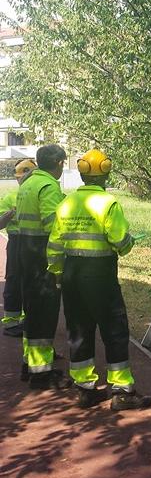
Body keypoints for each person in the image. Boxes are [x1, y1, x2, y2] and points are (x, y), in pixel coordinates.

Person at [47, 148, 151, 411]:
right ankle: (122, 391)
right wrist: (129, 242)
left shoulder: (67, 203)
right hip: (100, 275)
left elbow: (55, 245)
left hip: (71, 274)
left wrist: (58, 273)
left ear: (83, 173)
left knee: (79, 331)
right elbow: (120, 241)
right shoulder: (108, 203)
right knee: (114, 330)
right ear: (105, 171)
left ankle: (85, 389)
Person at [16, 144, 71, 389]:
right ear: (59, 163)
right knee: (44, 313)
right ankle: (41, 374)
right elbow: (53, 226)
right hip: (42, 257)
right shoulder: (48, 186)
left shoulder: (28, 183)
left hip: (26, 252)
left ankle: (30, 363)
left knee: (32, 311)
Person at [0, 158, 37, 337]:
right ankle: (11, 323)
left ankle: (29, 320)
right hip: (16, 242)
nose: (19, 180)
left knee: (32, 281)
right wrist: (7, 216)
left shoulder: (40, 193)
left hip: (34, 242)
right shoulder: (10, 197)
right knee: (14, 279)